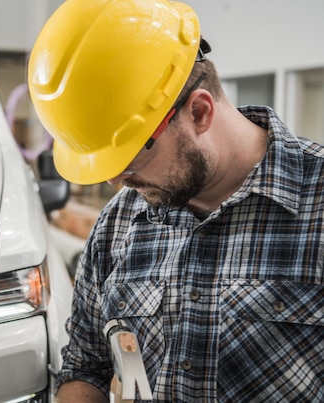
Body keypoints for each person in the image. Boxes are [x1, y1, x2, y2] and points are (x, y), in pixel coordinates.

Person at [27, 0, 324, 402]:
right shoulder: (118, 225)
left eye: (130, 157)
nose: (116, 180)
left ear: (199, 112)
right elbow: (88, 367)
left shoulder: (316, 203)